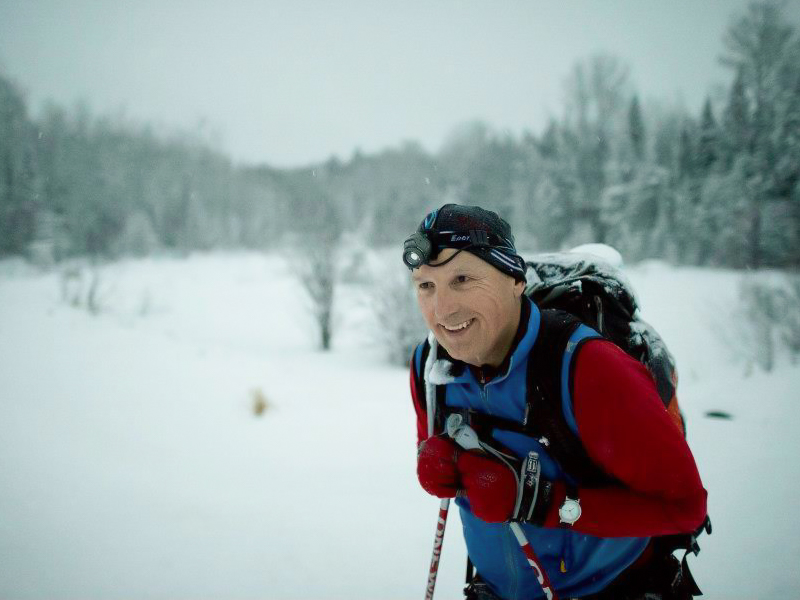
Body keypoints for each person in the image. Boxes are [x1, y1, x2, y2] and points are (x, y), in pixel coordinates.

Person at [405, 203, 708, 600]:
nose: (442, 310)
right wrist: (439, 458)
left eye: (462, 279)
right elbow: (441, 451)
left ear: (515, 279)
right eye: (426, 285)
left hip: (615, 589)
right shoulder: (431, 366)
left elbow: (684, 507)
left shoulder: (588, 369)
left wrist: (542, 502)